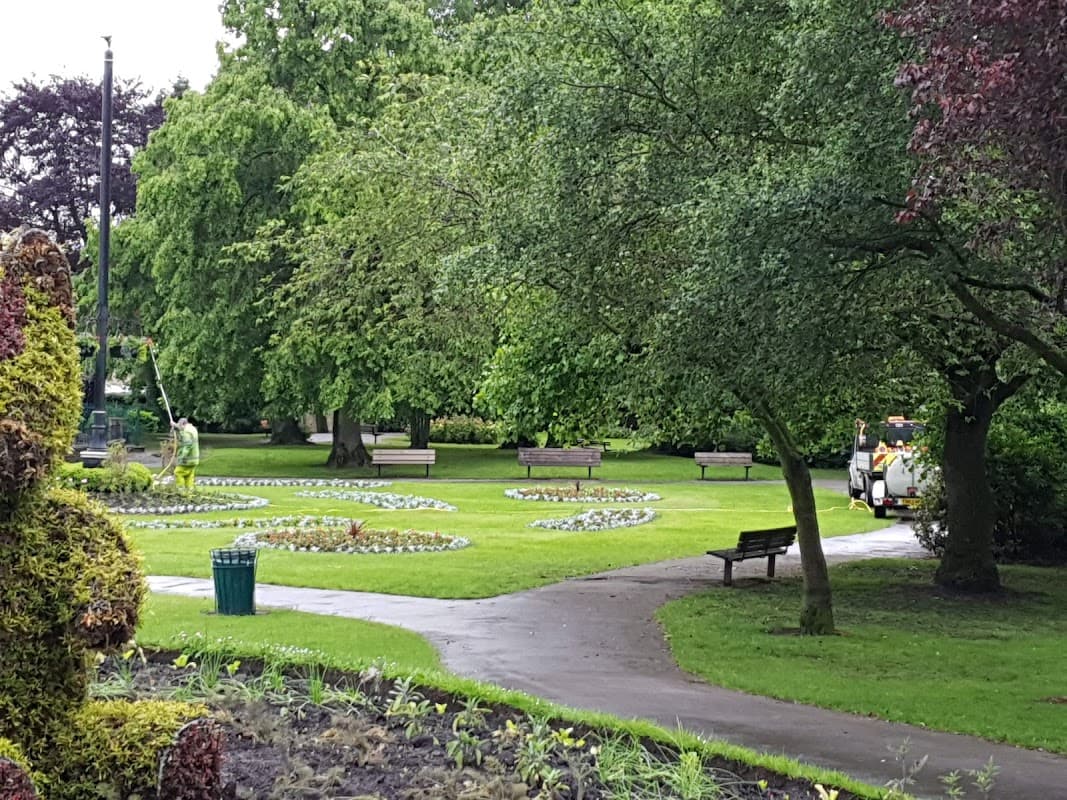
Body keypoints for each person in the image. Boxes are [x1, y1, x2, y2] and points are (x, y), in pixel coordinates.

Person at [172, 417, 199, 492]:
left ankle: (181, 491)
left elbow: (187, 445)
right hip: (194, 460)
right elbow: (180, 428)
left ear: (183, 424)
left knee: (178, 473)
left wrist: (181, 457)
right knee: (189, 476)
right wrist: (174, 425)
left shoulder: (186, 432)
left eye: (180, 425)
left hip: (187, 460)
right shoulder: (193, 429)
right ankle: (189, 493)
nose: (180, 429)